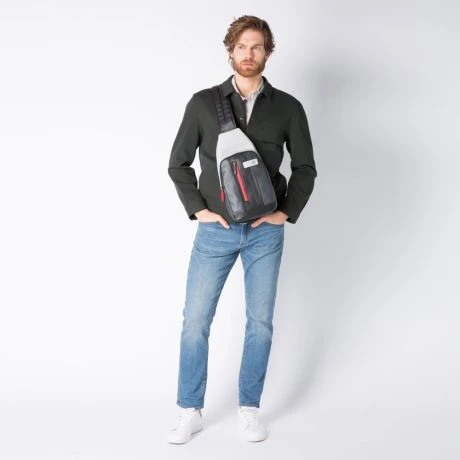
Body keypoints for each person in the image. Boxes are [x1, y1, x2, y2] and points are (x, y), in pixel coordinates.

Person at [167, 15, 317, 444]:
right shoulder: (203, 103)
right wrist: (198, 210)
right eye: (241, 46)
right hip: (215, 230)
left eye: (257, 47)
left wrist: (285, 213)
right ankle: (190, 410)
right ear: (230, 50)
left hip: (265, 233)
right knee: (195, 321)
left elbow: (305, 168)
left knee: (261, 323)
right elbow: (178, 164)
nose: (249, 54)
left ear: (268, 52)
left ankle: (249, 409)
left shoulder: (288, 107)